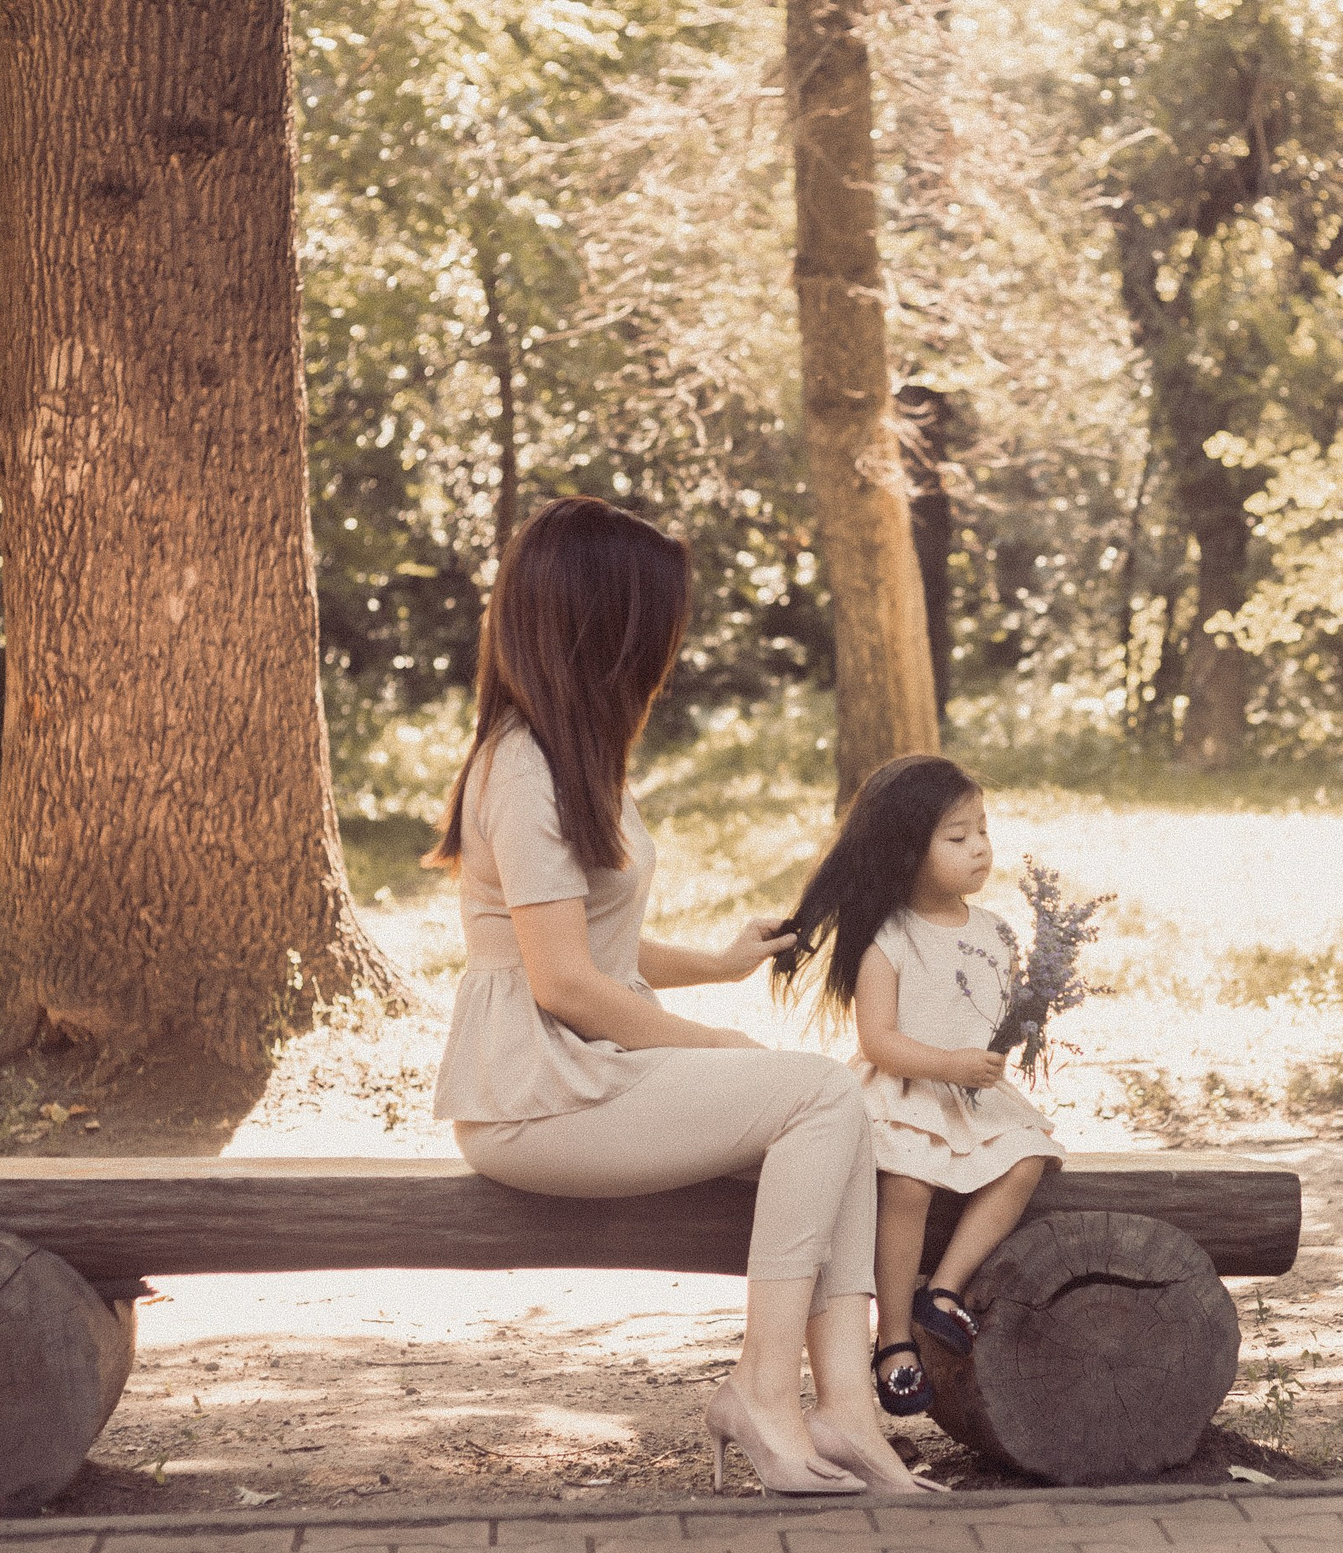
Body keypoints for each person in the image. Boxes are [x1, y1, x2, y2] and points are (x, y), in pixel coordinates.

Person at [427, 496, 931, 1497]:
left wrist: (717, 962)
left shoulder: (568, 753)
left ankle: (846, 1413)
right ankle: (763, 1394)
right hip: (535, 1099)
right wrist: (713, 1042)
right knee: (819, 1094)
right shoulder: (524, 770)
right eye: (656, 620)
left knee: (835, 1119)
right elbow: (562, 982)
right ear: (603, 625)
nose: (668, 647)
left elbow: (585, 943)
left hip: (576, 1077)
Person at [773, 755, 1065, 1418]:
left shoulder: (995, 932)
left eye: (983, 830)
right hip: (903, 1089)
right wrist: (949, 1064)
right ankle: (894, 1336)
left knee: (1027, 1160)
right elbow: (879, 1040)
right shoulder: (890, 936)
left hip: (969, 1096)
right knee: (908, 1184)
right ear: (907, 849)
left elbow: (992, 1015)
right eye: (957, 837)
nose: (979, 848)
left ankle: (945, 1291)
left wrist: (1026, 1023)